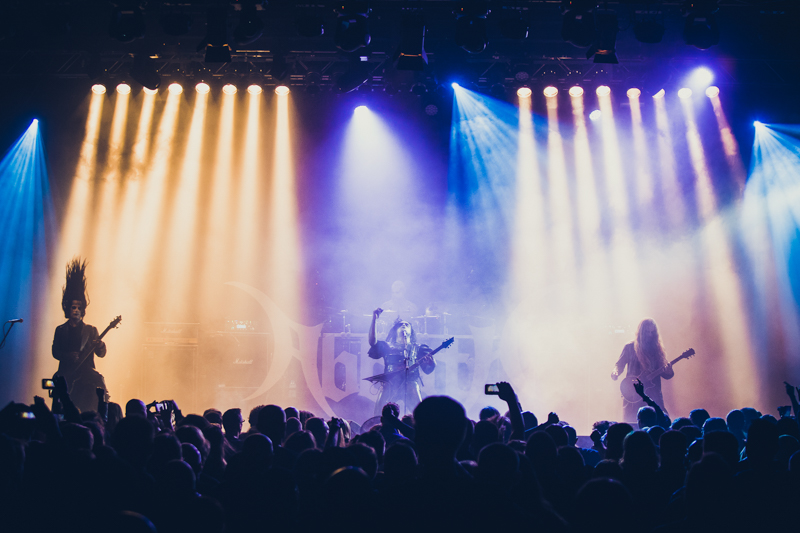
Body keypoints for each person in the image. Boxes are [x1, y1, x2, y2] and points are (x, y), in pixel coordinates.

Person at [52, 257, 110, 414]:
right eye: (73, 307)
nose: (76, 310)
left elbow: (101, 354)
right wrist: (67, 356)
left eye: (79, 307)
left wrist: (100, 345)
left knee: (100, 382)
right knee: (58, 392)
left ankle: (104, 408)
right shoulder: (60, 330)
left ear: (83, 310)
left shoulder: (91, 330)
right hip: (66, 370)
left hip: (86, 370)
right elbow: (55, 352)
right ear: (68, 309)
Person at [367, 308, 435, 415]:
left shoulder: (418, 348)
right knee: (378, 414)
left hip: (411, 382)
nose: (404, 325)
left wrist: (430, 362)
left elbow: (429, 368)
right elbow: (372, 342)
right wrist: (374, 319)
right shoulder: (386, 346)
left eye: (407, 325)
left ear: (411, 331)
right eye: (400, 325)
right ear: (395, 330)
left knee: (420, 414)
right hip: (389, 383)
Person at [611, 318, 674, 424]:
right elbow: (619, 364)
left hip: (653, 393)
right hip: (633, 391)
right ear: (641, 332)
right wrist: (615, 372)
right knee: (631, 421)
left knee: (660, 420)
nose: (649, 335)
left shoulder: (657, 350)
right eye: (647, 332)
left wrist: (669, 371)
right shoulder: (630, 347)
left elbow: (666, 374)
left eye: (652, 332)